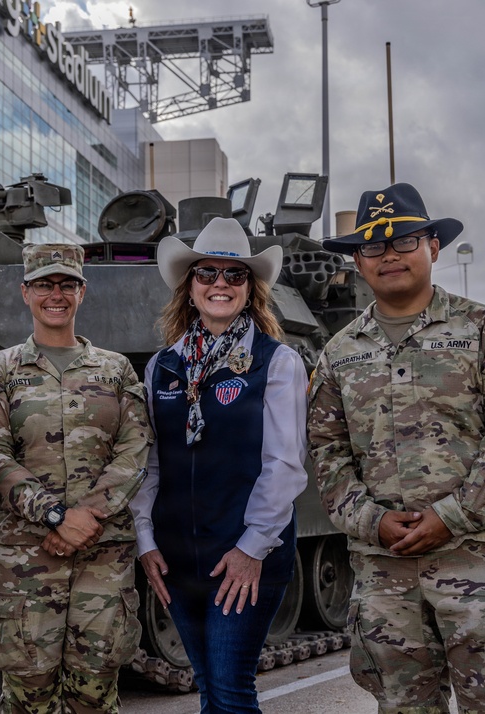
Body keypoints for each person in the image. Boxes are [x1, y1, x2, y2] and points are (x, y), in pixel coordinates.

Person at [307, 183, 485, 713]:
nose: (389, 254)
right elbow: (327, 452)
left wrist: (451, 516)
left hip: (476, 559)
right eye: (372, 246)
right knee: (402, 707)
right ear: (359, 262)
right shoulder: (339, 353)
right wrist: (371, 521)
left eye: (405, 239)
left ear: (433, 247)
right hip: (382, 565)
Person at [131, 217, 308, 713]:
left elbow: (284, 465)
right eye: (207, 273)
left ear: (250, 289)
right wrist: (145, 542)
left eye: (234, 275)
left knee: (231, 691)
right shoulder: (163, 365)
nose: (220, 284)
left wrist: (251, 549)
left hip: (244, 556)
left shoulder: (276, 362)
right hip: (176, 557)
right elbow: (151, 462)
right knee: (209, 688)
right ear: (189, 287)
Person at [0, 243, 152, 713]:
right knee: (28, 693)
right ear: (25, 292)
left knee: (95, 690)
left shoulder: (115, 370)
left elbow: (135, 448)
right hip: (25, 555)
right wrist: (53, 515)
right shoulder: (0, 370)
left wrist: (87, 516)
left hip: (101, 553)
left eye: (67, 284)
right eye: (45, 285)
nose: (57, 294)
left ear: (82, 292)